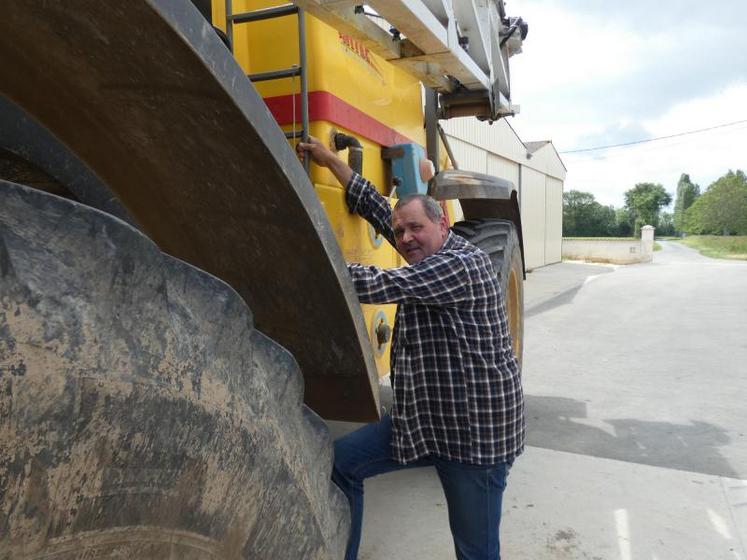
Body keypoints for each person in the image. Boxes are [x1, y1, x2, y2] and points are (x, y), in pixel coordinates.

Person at [297, 137, 525, 560]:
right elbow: (376, 206)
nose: (404, 237)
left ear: (444, 225)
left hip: (473, 437)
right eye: (400, 231)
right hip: (425, 421)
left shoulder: (461, 264)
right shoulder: (423, 246)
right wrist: (330, 160)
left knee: (475, 551)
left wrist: (299, 258)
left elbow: (381, 283)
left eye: (415, 228)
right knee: (343, 463)